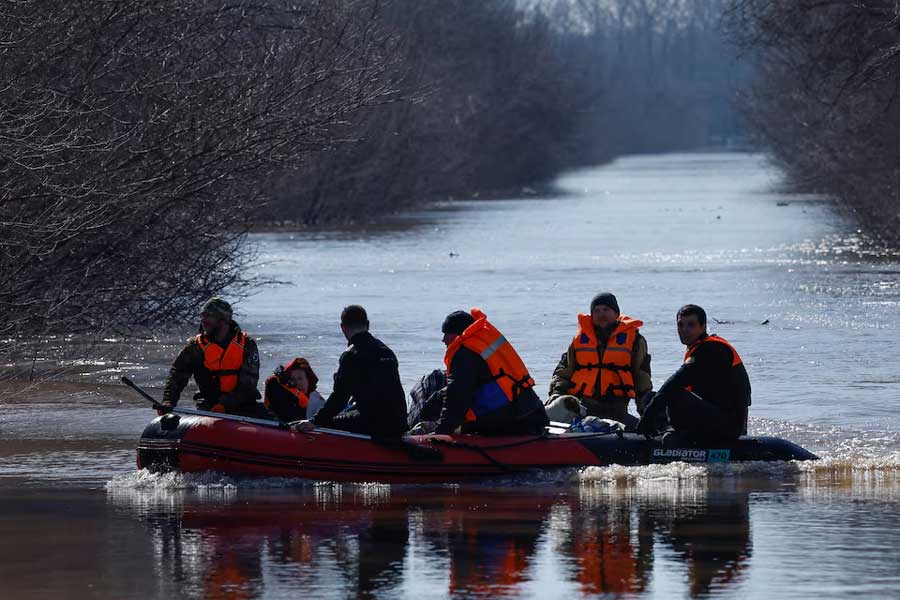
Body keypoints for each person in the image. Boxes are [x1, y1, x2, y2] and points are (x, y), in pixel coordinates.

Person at [636, 304, 751, 443]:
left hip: (730, 427)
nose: (684, 330)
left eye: (691, 325)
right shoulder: (699, 348)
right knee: (650, 397)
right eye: (680, 325)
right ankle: (667, 432)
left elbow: (674, 383)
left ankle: (676, 436)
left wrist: (649, 415)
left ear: (703, 327)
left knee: (672, 394)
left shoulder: (711, 349)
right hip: (714, 415)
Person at [292, 305, 407, 438]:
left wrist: (315, 421)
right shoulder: (387, 351)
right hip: (399, 422)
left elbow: (340, 397)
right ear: (368, 325)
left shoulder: (352, 355)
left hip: (375, 426)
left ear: (343, 327)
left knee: (329, 422)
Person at [429, 308, 549, 436]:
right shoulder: (482, 343)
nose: (443, 339)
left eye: (446, 334)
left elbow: (457, 398)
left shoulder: (465, 355)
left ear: (459, 334)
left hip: (510, 421)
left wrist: (441, 433)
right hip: (530, 412)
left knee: (446, 414)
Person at [547, 293, 652, 428]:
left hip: (616, 410)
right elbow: (563, 373)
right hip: (583, 409)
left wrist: (647, 412)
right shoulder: (579, 341)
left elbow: (642, 379)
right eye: (596, 311)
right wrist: (556, 396)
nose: (601, 314)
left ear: (616, 313)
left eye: (606, 310)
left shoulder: (635, 341)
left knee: (637, 428)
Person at [160, 297, 261, 415]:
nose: (203, 320)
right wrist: (168, 401)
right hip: (209, 407)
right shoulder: (196, 346)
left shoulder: (247, 344)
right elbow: (177, 375)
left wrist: (224, 405)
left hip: (243, 406)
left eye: (208, 316)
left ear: (222, 320)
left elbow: (248, 384)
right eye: (202, 316)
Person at [263, 358, 324, 423]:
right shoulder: (283, 398)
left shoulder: (318, 401)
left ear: (308, 379)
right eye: (292, 379)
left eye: (300, 378)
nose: (297, 383)